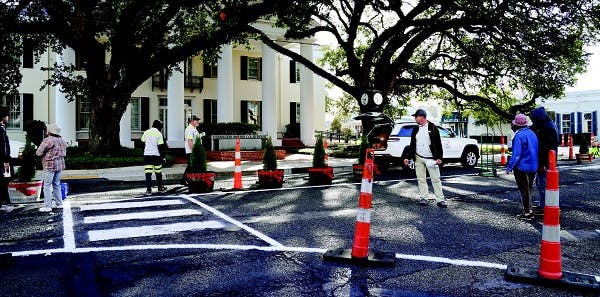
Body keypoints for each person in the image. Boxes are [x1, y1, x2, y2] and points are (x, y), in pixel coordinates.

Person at [403, 109, 447, 208]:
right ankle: (423, 197)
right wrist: (408, 157)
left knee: (435, 179)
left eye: (416, 116)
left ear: (422, 117)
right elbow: (412, 144)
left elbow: (438, 143)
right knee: (421, 179)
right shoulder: (415, 129)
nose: (415, 118)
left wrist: (439, 158)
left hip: (431, 159)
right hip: (418, 157)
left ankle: (440, 200)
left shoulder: (432, 127)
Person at [505, 114, 539, 221]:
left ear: (517, 125)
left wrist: (510, 167)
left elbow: (516, 154)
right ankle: (530, 210)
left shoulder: (518, 136)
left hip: (522, 167)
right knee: (528, 188)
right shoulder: (532, 133)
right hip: (533, 166)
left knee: (524, 189)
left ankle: (527, 212)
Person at [529, 106, 559, 214]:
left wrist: (543, 164)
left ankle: (546, 204)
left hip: (546, 160)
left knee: (543, 182)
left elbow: (545, 147)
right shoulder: (548, 125)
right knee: (541, 181)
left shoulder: (546, 128)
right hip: (549, 159)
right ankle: (544, 202)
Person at [36, 123, 67, 212]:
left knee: (47, 185)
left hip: (49, 165)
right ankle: (59, 203)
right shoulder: (62, 141)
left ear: (49, 131)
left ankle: (47, 206)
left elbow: (38, 153)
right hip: (60, 165)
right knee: (56, 184)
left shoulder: (47, 140)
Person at [142, 120, 167, 195]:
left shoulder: (146, 132)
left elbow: (142, 142)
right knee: (158, 172)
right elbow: (160, 147)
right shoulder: (159, 134)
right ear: (159, 126)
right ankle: (160, 187)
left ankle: (149, 190)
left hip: (147, 155)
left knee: (148, 173)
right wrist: (163, 157)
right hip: (156, 156)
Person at [181, 115, 204, 184]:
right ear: (191, 121)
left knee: (191, 166)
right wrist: (194, 151)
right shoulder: (189, 129)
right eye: (196, 120)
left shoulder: (193, 129)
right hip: (191, 151)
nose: (198, 122)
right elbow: (190, 141)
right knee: (191, 166)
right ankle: (185, 179)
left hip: (193, 150)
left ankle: (184, 179)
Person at [0, 106, 13, 212]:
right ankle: (3, 201)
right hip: (3, 160)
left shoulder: (2, 128)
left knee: (5, 179)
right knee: (3, 179)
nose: (8, 117)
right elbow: (3, 146)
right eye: (7, 115)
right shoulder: (0, 129)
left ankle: (4, 200)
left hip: (4, 159)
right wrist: (6, 159)